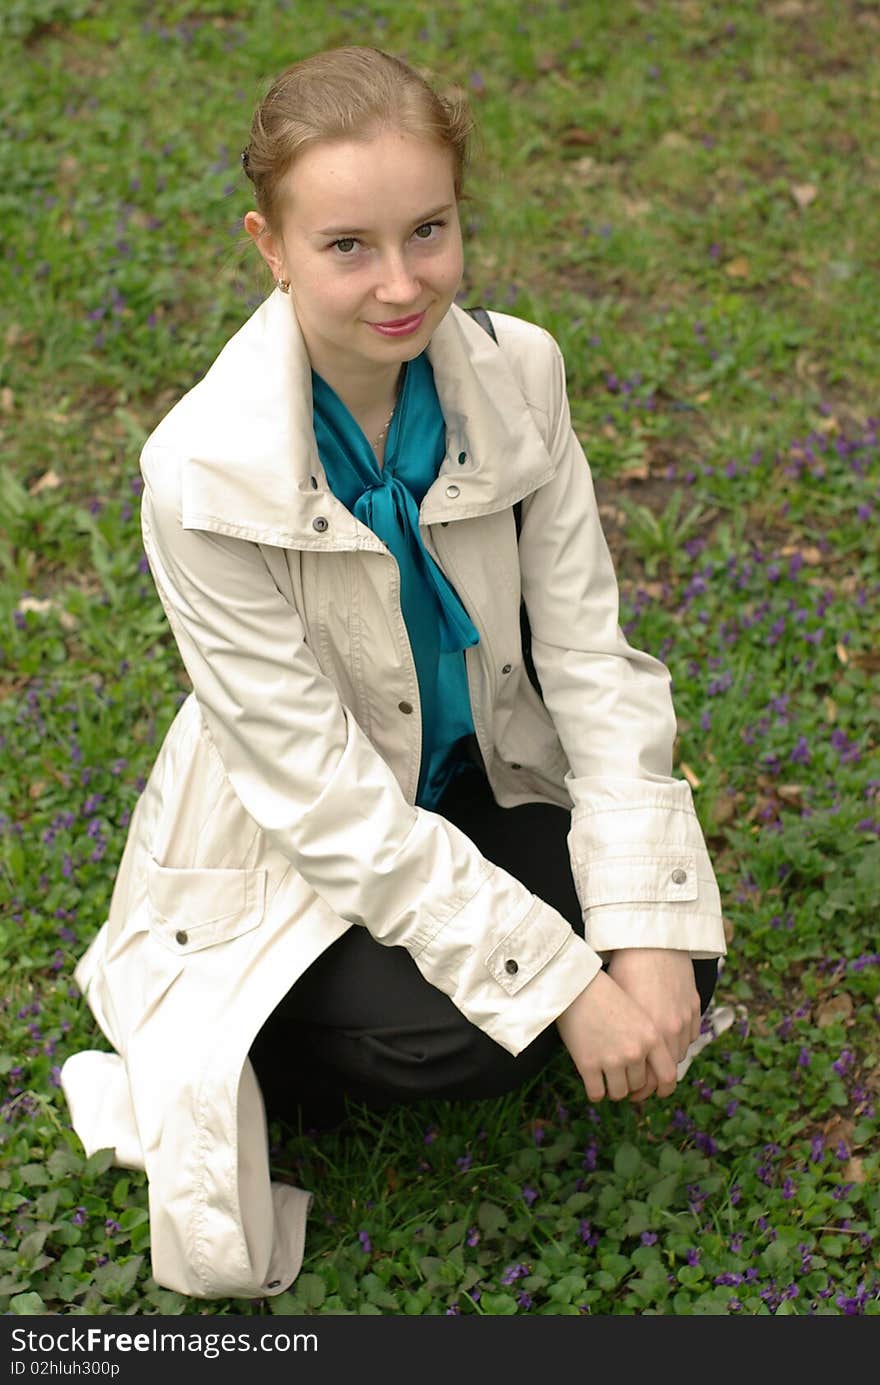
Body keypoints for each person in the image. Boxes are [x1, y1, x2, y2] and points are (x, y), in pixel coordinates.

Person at [60, 45, 726, 1302]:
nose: (401, 283)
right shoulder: (198, 475)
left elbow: (589, 654)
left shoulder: (521, 372)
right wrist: (564, 981)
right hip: (301, 843)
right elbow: (321, 802)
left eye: (429, 229)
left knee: (675, 950)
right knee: (455, 1033)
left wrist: (634, 937)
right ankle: (271, 1031)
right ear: (270, 245)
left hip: (472, 770)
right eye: (347, 245)